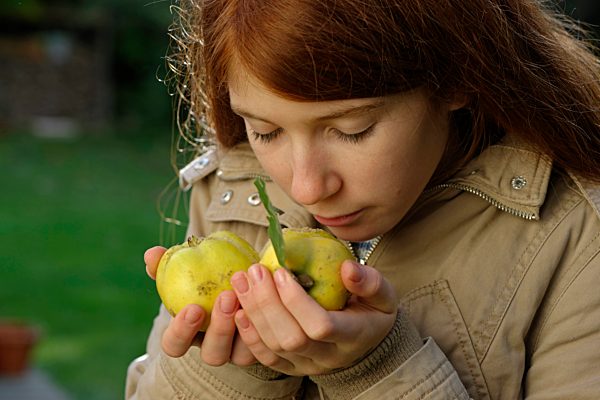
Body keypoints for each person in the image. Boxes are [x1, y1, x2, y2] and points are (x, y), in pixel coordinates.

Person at [126, 0, 600, 398]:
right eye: (265, 131)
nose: (308, 188)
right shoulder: (232, 190)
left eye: (352, 131)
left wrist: (374, 369)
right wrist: (232, 365)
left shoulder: (579, 237)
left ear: (456, 77)